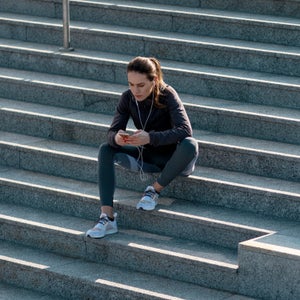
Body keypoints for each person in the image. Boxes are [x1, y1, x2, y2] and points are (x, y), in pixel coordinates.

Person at [86, 56, 199, 238]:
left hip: (175, 158)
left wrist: (150, 137)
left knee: (190, 144)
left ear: (153, 80)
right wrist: (117, 138)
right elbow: (111, 132)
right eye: (131, 84)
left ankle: (154, 190)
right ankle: (107, 218)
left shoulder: (168, 94)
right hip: (148, 156)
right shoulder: (127, 98)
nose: (135, 90)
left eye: (140, 85)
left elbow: (185, 130)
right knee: (106, 149)